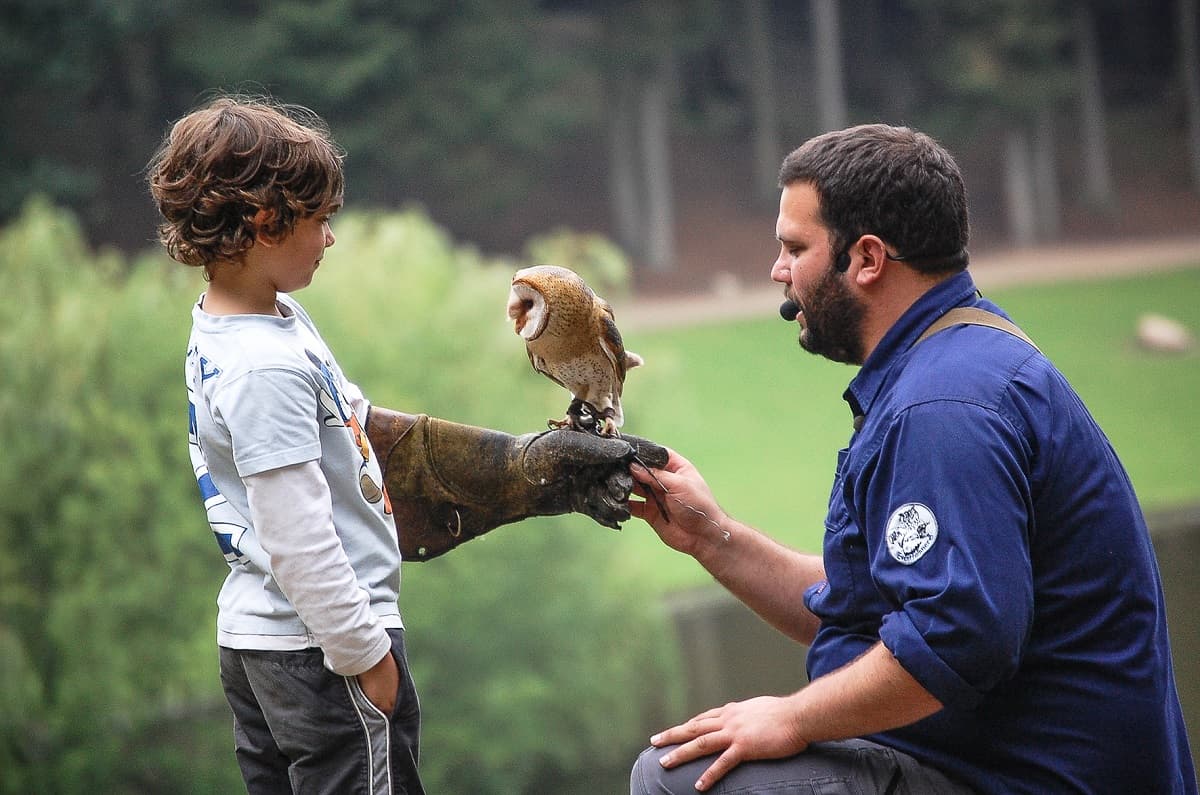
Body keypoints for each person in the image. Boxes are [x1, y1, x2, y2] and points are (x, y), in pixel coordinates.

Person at [628, 124, 1197, 794]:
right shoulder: (952, 366)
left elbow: (958, 639)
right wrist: (709, 536)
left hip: (1021, 781)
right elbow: (873, 610)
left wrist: (791, 718)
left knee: (678, 780)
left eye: (794, 248)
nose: (779, 272)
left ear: (866, 258)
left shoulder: (946, 407)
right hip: (986, 768)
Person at [147, 95, 653, 794]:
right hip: (322, 649)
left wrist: (520, 467)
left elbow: (360, 433)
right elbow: (296, 534)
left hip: (260, 639)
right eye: (321, 220)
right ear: (266, 222)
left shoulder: (249, 325)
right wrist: (363, 653)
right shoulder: (263, 367)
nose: (330, 238)